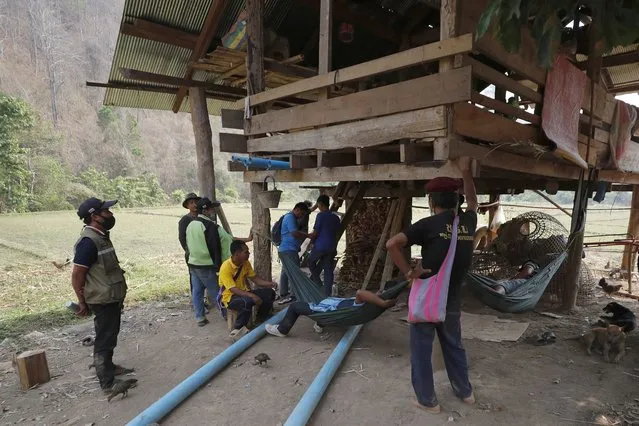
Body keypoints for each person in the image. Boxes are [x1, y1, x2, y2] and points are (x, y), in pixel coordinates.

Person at [386, 157, 478, 414]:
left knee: (422, 351)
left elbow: (392, 244)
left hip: (427, 298)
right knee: (454, 345)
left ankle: (428, 401)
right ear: (455, 200)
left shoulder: (427, 225)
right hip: (452, 299)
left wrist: (407, 273)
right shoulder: (468, 222)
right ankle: (465, 393)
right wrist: (466, 172)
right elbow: (473, 202)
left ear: (431, 202)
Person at [71, 197, 133, 392]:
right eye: (106, 212)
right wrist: (81, 301)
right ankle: (107, 382)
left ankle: (109, 367)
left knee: (110, 334)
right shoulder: (88, 242)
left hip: (111, 295)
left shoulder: (101, 236)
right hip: (102, 299)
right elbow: (77, 274)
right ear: (94, 216)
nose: (111, 214)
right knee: (104, 338)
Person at [265, 289, 396, 337]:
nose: (378, 292)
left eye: (380, 293)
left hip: (328, 311)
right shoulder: (368, 307)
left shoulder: (361, 304)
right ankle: (320, 324)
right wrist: (380, 299)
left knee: (294, 306)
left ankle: (282, 330)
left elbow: (360, 293)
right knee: (312, 299)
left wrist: (383, 303)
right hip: (331, 309)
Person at [219, 241, 277, 338]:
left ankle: (260, 319)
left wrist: (270, 284)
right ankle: (238, 329)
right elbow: (233, 289)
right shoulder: (226, 267)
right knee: (247, 301)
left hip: (244, 292)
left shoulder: (245, 263)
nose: (249, 253)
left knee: (269, 293)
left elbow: (255, 279)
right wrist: (252, 295)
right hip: (230, 297)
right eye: (246, 252)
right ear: (237, 254)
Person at [186, 197, 223, 326]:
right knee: (217, 292)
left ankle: (200, 318)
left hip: (193, 263)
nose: (213, 210)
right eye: (211, 208)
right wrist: (218, 266)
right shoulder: (209, 225)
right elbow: (215, 247)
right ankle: (227, 315)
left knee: (197, 292)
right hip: (206, 264)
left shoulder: (191, 224)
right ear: (206, 210)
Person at [277, 202, 311, 304]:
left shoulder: (289, 217)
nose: (301, 216)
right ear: (297, 210)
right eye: (302, 213)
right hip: (289, 249)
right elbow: (294, 233)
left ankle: (284, 294)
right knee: (294, 271)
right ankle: (293, 295)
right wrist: (308, 235)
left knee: (285, 271)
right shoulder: (290, 218)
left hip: (286, 249)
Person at [308, 195, 342, 296]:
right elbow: (337, 232)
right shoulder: (335, 217)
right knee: (328, 269)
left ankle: (317, 283)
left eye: (318, 205)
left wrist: (310, 242)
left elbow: (315, 233)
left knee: (311, 261)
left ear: (320, 204)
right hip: (331, 247)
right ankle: (328, 294)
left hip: (320, 246)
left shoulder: (320, 216)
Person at [178, 192, 200, 299]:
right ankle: (196, 302)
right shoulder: (185, 220)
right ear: (187, 206)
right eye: (191, 203)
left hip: (203, 254)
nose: (194, 204)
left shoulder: (202, 217)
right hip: (192, 254)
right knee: (194, 279)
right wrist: (189, 250)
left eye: (196, 202)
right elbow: (182, 238)